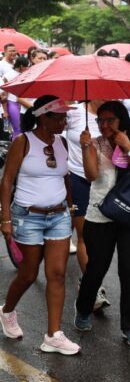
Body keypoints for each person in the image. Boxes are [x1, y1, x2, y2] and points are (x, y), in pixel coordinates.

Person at [0, 96, 80, 355]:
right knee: (28, 274)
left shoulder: (63, 142)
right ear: (43, 116)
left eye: (65, 117)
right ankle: (7, 311)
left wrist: (70, 207)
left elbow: (66, 178)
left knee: (56, 274)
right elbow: (7, 181)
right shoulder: (22, 142)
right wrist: (5, 219)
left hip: (58, 216)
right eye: (59, 117)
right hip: (28, 216)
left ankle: (53, 335)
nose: (64, 121)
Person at [75, 100, 130, 347]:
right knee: (97, 267)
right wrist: (86, 147)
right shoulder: (95, 143)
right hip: (100, 215)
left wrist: (128, 147)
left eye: (110, 120)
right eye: (100, 120)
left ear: (121, 121)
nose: (104, 125)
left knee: (129, 271)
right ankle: (84, 308)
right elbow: (91, 175)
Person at [65, 98, 111, 310]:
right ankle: (94, 287)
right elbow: (54, 135)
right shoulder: (73, 112)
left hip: (103, 183)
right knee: (84, 235)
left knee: (101, 238)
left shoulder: (111, 117)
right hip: (77, 178)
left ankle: (88, 281)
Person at [4, 56, 33, 138]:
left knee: (23, 129)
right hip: (12, 103)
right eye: (26, 66)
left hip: (24, 104)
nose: (28, 68)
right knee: (17, 129)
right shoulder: (9, 75)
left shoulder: (27, 74)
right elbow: (4, 93)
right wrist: (5, 111)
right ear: (21, 66)